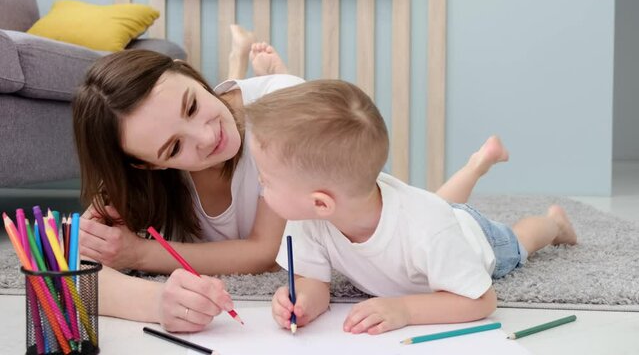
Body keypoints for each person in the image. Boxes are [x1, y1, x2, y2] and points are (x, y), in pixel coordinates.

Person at [73, 27, 505, 333]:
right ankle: (474, 167)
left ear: (187, 72)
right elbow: (67, 275)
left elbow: (264, 252)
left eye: (191, 106)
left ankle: (484, 177)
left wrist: (142, 255)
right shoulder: (136, 172)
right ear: (146, 166)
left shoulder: (277, 116)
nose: (207, 137)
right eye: (173, 149)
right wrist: (152, 298)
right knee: (442, 209)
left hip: (385, 217)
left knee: (446, 216)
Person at [242, 79, 578, 335]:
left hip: (472, 236)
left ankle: (554, 224)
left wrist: (405, 310)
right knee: (439, 205)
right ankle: (476, 165)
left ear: (321, 202)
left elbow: (481, 301)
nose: (259, 185)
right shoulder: (308, 218)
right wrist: (300, 302)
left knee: (518, 242)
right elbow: (315, 283)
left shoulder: (428, 227)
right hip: (433, 219)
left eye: (265, 179)